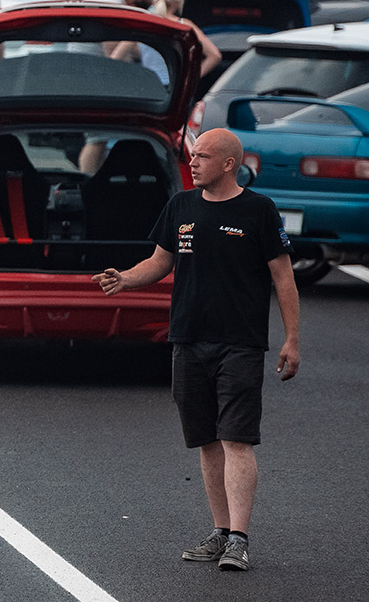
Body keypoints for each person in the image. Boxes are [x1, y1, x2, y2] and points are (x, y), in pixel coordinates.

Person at [92, 128, 300, 574]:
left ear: (228, 163)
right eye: (192, 155)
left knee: (237, 440)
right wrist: (125, 278)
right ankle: (220, 532)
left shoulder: (258, 210)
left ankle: (240, 540)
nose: (193, 162)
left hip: (240, 343)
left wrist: (292, 338)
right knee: (206, 441)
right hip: (187, 340)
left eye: (202, 156)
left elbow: (283, 276)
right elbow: (160, 261)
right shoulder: (181, 206)